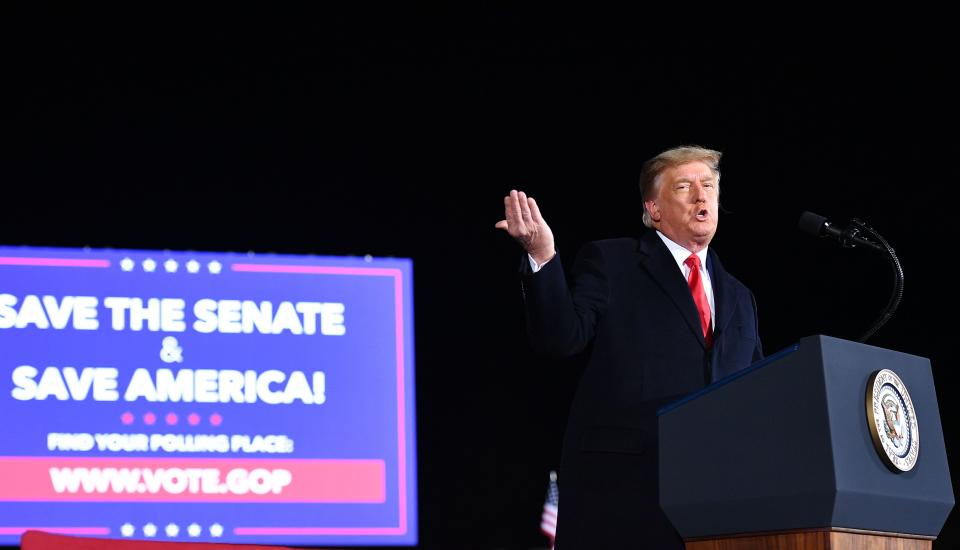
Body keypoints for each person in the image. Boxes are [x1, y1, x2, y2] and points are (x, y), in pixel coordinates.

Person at [496, 145, 763, 549]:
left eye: (708, 185)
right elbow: (560, 338)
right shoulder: (612, 262)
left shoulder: (741, 297)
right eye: (684, 187)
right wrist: (542, 255)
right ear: (654, 208)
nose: (701, 195)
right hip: (626, 496)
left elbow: (758, 392)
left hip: (716, 504)